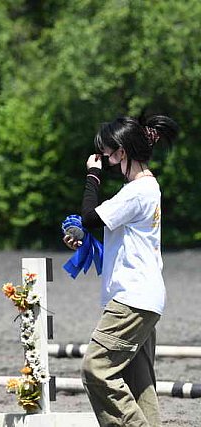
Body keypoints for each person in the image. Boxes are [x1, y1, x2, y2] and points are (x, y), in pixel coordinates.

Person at [63, 115, 179, 426]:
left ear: (122, 153)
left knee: (95, 369)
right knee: (138, 384)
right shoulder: (144, 188)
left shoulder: (137, 191)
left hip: (132, 298)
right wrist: (81, 237)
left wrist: (93, 175)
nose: (106, 160)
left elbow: (89, 216)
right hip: (144, 298)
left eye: (107, 154)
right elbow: (104, 228)